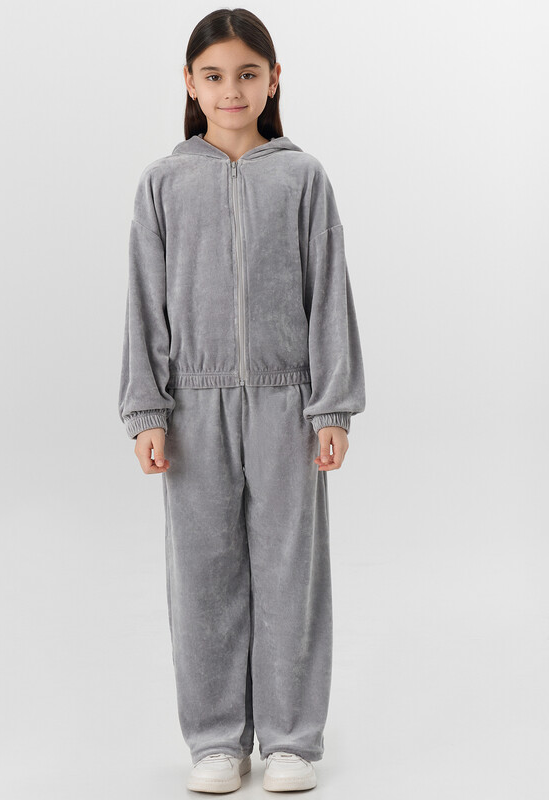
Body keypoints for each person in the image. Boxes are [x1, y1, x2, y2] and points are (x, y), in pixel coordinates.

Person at [118, 8, 366, 794]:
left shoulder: (302, 177)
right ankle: (217, 740)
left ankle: (291, 740)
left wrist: (331, 407)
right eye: (215, 75)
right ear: (190, 84)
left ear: (274, 80)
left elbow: (328, 295)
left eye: (248, 74)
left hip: (288, 405)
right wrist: (147, 411)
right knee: (204, 576)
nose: (232, 90)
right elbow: (144, 302)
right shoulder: (163, 183)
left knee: (292, 571)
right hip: (194, 408)